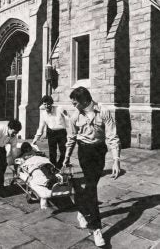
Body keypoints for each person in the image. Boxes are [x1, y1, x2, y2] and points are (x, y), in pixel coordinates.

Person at [63, 87, 121, 247]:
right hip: (84, 152)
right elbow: (71, 138)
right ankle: (96, 228)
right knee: (91, 187)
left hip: (99, 152)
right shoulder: (74, 116)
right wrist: (66, 157)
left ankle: (82, 211)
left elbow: (112, 136)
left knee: (91, 186)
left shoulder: (103, 111)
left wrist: (116, 158)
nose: (73, 105)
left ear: (83, 101)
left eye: (75, 102)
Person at [32, 95, 69, 169]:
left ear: (51, 103)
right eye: (44, 104)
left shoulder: (59, 109)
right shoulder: (43, 114)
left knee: (64, 152)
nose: (46, 106)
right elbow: (41, 127)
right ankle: (53, 170)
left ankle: (60, 167)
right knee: (52, 153)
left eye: (48, 104)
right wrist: (35, 139)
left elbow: (68, 120)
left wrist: (70, 133)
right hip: (51, 133)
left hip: (62, 132)